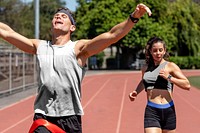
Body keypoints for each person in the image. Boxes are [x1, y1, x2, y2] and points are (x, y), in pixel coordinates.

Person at [0, 3, 151, 133]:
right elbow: (8, 33)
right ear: (52, 24)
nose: (58, 17)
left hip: (70, 117)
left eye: (63, 16)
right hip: (43, 116)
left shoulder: (79, 49)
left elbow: (112, 35)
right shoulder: (39, 46)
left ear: (72, 27)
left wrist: (133, 17)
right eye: (56, 16)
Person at [129, 36, 191, 133]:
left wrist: (169, 77)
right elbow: (144, 81)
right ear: (150, 51)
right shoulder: (145, 68)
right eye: (155, 50)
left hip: (169, 110)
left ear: (164, 51)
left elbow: (187, 85)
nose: (158, 53)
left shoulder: (170, 66)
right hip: (152, 110)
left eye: (160, 50)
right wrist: (136, 91)